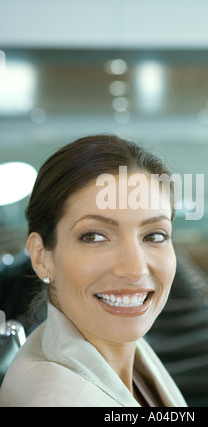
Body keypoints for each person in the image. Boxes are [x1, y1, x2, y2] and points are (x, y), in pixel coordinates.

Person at [0, 134, 187, 407]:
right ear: (41, 257)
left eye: (154, 236)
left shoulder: (116, 349)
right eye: (94, 236)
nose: (134, 270)